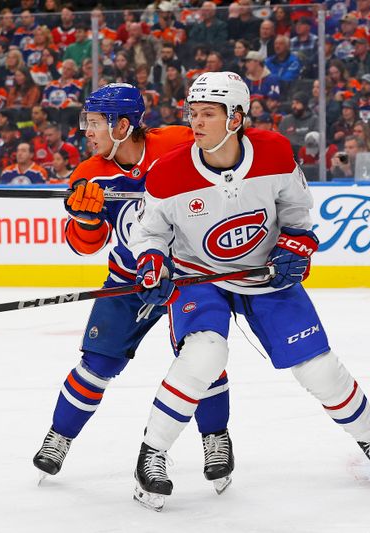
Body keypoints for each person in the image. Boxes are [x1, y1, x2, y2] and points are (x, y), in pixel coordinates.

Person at [128, 72, 370, 511]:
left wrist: (295, 246)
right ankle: (152, 454)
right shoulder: (168, 174)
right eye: (193, 114)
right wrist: (151, 264)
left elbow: (297, 214)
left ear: (236, 117)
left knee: (318, 367)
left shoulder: (275, 153)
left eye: (208, 114)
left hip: (264, 275)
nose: (196, 123)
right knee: (204, 355)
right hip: (196, 275)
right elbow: (148, 234)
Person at [31, 84, 234, 494]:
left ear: (123, 125)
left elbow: (228, 166)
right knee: (96, 365)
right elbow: (83, 244)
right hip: (127, 279)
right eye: (85, 122)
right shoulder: (89, 173)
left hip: (185, 276)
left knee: (202, 357)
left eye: (94, 123)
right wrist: (87, 219)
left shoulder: (178, 143)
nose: (86, 132)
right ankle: (60, 435)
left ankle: (215, 437)